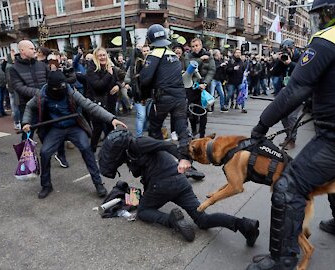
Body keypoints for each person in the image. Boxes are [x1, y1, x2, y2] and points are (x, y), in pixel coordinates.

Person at [247, 1, 335, 269]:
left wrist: (261, 126)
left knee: (288, 187)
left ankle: (283, 259)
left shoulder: (332, 37)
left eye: (325, 13)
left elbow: (295, 89)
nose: (321, 19)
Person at [98, 129, 260, 245]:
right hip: (179, 182)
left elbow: (167, 146)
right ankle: (244, 225)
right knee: (202, 220)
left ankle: (172, 220)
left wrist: (182, 159)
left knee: (143, 212)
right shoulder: (129, 153)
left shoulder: (138, 143)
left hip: (161, 184)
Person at [21, 70, 127, 199]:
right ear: (50, 87)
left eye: (62, 87)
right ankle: (46, 185)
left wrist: (111, 118)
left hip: (74, 127)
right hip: (56, 128)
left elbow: (91, 106)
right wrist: (26, 122)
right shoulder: (41, 94)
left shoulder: (71, 92)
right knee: (45, 152)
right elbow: (29, 106)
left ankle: (98, 184)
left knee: (86, 149)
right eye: (57, 88)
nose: (60, 90)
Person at [139, 24, 205, 180]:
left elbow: (145, 79)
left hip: (163, 99)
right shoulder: (173, 55)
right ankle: (187, 163)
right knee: (183, 132)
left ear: (150, 39)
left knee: (154, 130)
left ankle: (160, 163)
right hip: (180, 98)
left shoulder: (155, 53)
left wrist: (143, 93)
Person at [184, 38, 216, 137]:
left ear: (201, 46)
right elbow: (188, 68)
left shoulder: (209, 56)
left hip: (204, 87)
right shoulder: (188, 56)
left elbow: (211, 70)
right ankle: (194, 130)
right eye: (193, 46)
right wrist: (200, 59)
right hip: (192, 86)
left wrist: (205, 83)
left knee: (203, 112)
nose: (195, 48)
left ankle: (202, 134)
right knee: (191, 112)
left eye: (197, 46)